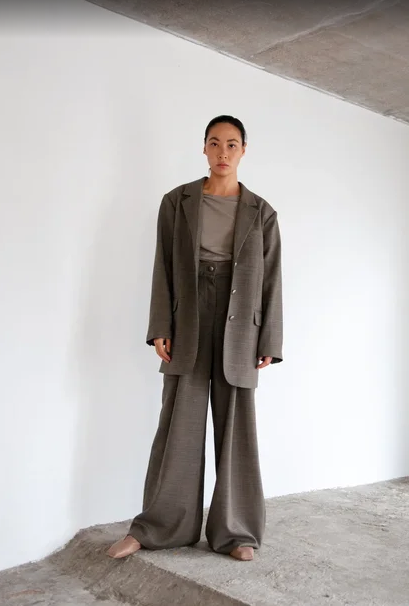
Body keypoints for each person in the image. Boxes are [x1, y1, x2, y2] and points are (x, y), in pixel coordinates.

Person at [107, 115, 283, 562]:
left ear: (244, 150)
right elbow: (163, 266)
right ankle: (158, 528)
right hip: (188, 316)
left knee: (237, 430)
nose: (223, 152)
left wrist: (270, 340)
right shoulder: (177, 201)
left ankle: (236, 532)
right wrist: (159, 327)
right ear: (203, 148)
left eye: (232, 144)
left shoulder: (262, 212)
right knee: (178, 428)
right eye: (214, 143)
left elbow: (271, 279)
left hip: (240, 323)